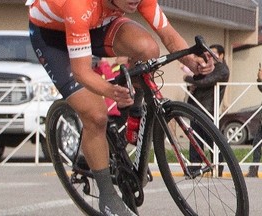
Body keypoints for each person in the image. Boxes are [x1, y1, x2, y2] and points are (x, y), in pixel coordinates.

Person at [26, 0, 214, 215]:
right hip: (54, 38)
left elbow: (169, 36)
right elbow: (82, 72)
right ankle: (107, 196)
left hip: (97, 25)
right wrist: (108, 90)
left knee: (148, 49)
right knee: (96, 115)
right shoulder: (77, 4)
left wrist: (192, 61)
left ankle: (133, 111)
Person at [183, 44, 230, 176]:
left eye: (212, 53)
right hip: (196, 106)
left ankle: (218, 168)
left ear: (221, 55)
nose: (208, 56)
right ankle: (195, 169)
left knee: (212, 140)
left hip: (209, 109)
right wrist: (191, 82)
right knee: (194, 139)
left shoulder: (222, 69)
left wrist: (187, 78)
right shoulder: (206, 66)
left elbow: (205, 82)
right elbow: (196, 82)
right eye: (208, 53)